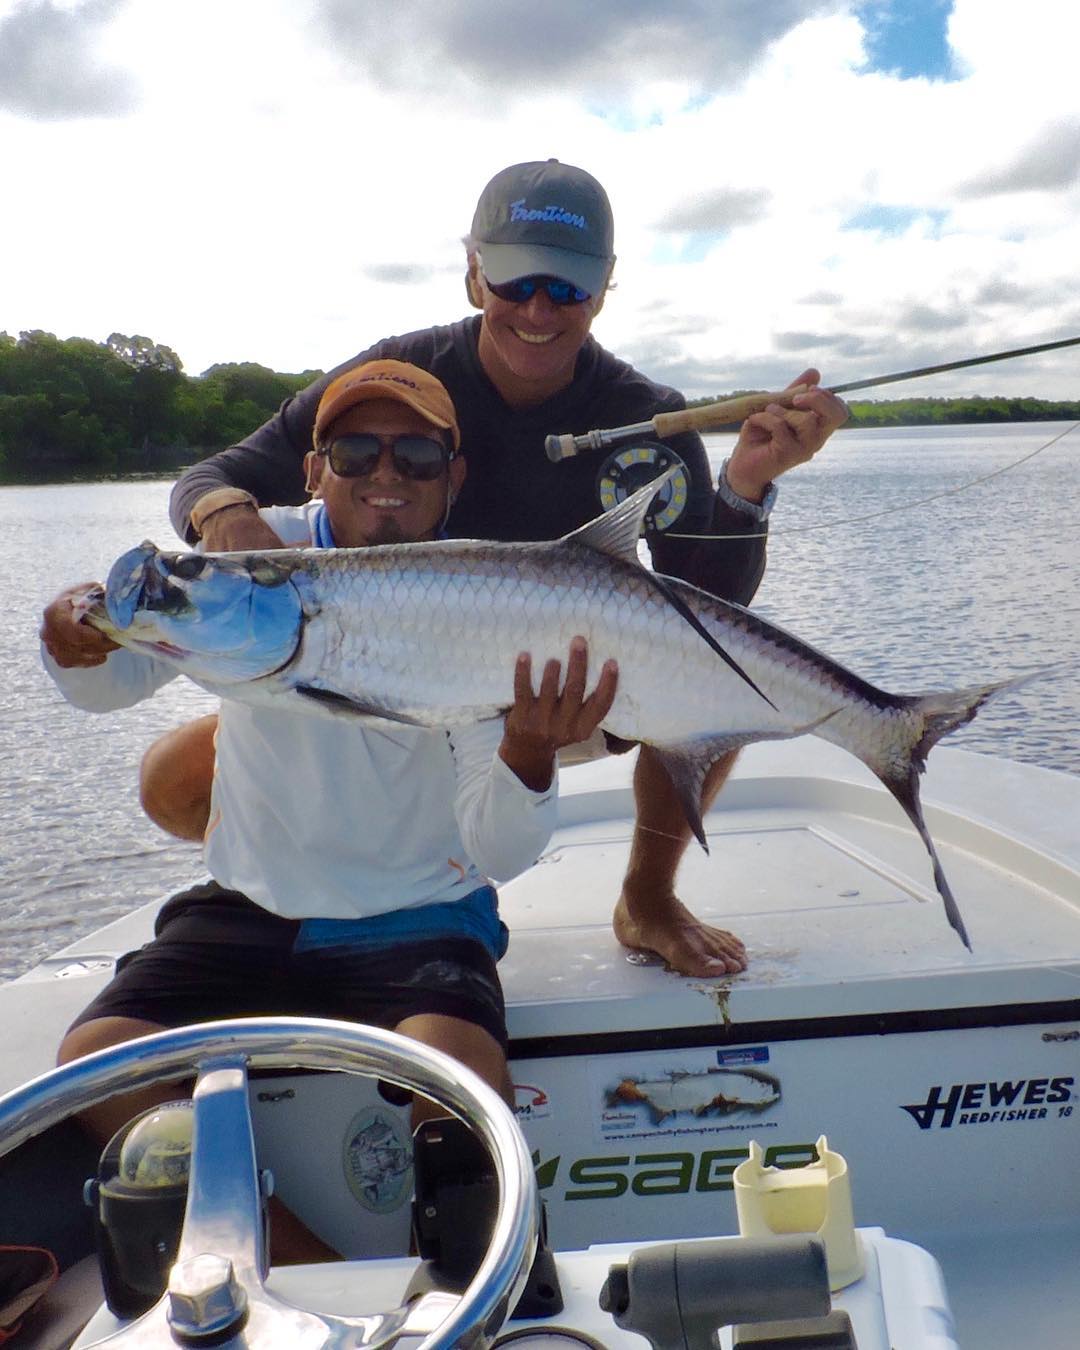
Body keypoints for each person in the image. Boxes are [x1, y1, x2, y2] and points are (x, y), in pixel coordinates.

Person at [162, 159, 848, 978]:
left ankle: (649, 897)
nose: (536, 309)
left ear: (604, 289)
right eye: (515, 280)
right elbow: (205, 479)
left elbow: (703, 611)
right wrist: (227, 517)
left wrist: (747, 485)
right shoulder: (393, 380)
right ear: (473, 271)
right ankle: (292, 896)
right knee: (167, 780)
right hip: (391, 678)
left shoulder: (647, 416)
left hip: (555, 696)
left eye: (567, 288)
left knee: (706, 691)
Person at [40, 359, 617, 1257]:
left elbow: (498, 849)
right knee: (95, 1061)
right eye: (355, 450)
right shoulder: (249, 558)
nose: (385, 474)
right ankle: (292, 1259)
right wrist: (66, 631)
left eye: (418, 455)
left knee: (461, 1077)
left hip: (419, 913)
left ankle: (478, 1280)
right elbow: (107, 681)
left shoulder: (484, 594)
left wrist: (530, 753)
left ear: (454, 476)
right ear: (313, 469)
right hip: (249, 907)